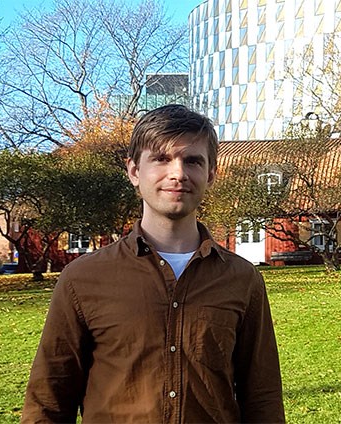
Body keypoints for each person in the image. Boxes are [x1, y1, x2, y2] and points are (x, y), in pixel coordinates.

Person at [21, 104, 285, 423]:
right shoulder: (82, 279)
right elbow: (48, 400)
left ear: (211, 173)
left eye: (192, 161)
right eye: (161, 158)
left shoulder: (242, 280)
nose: (178, 173)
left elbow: (262, 397)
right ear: (134, 171)